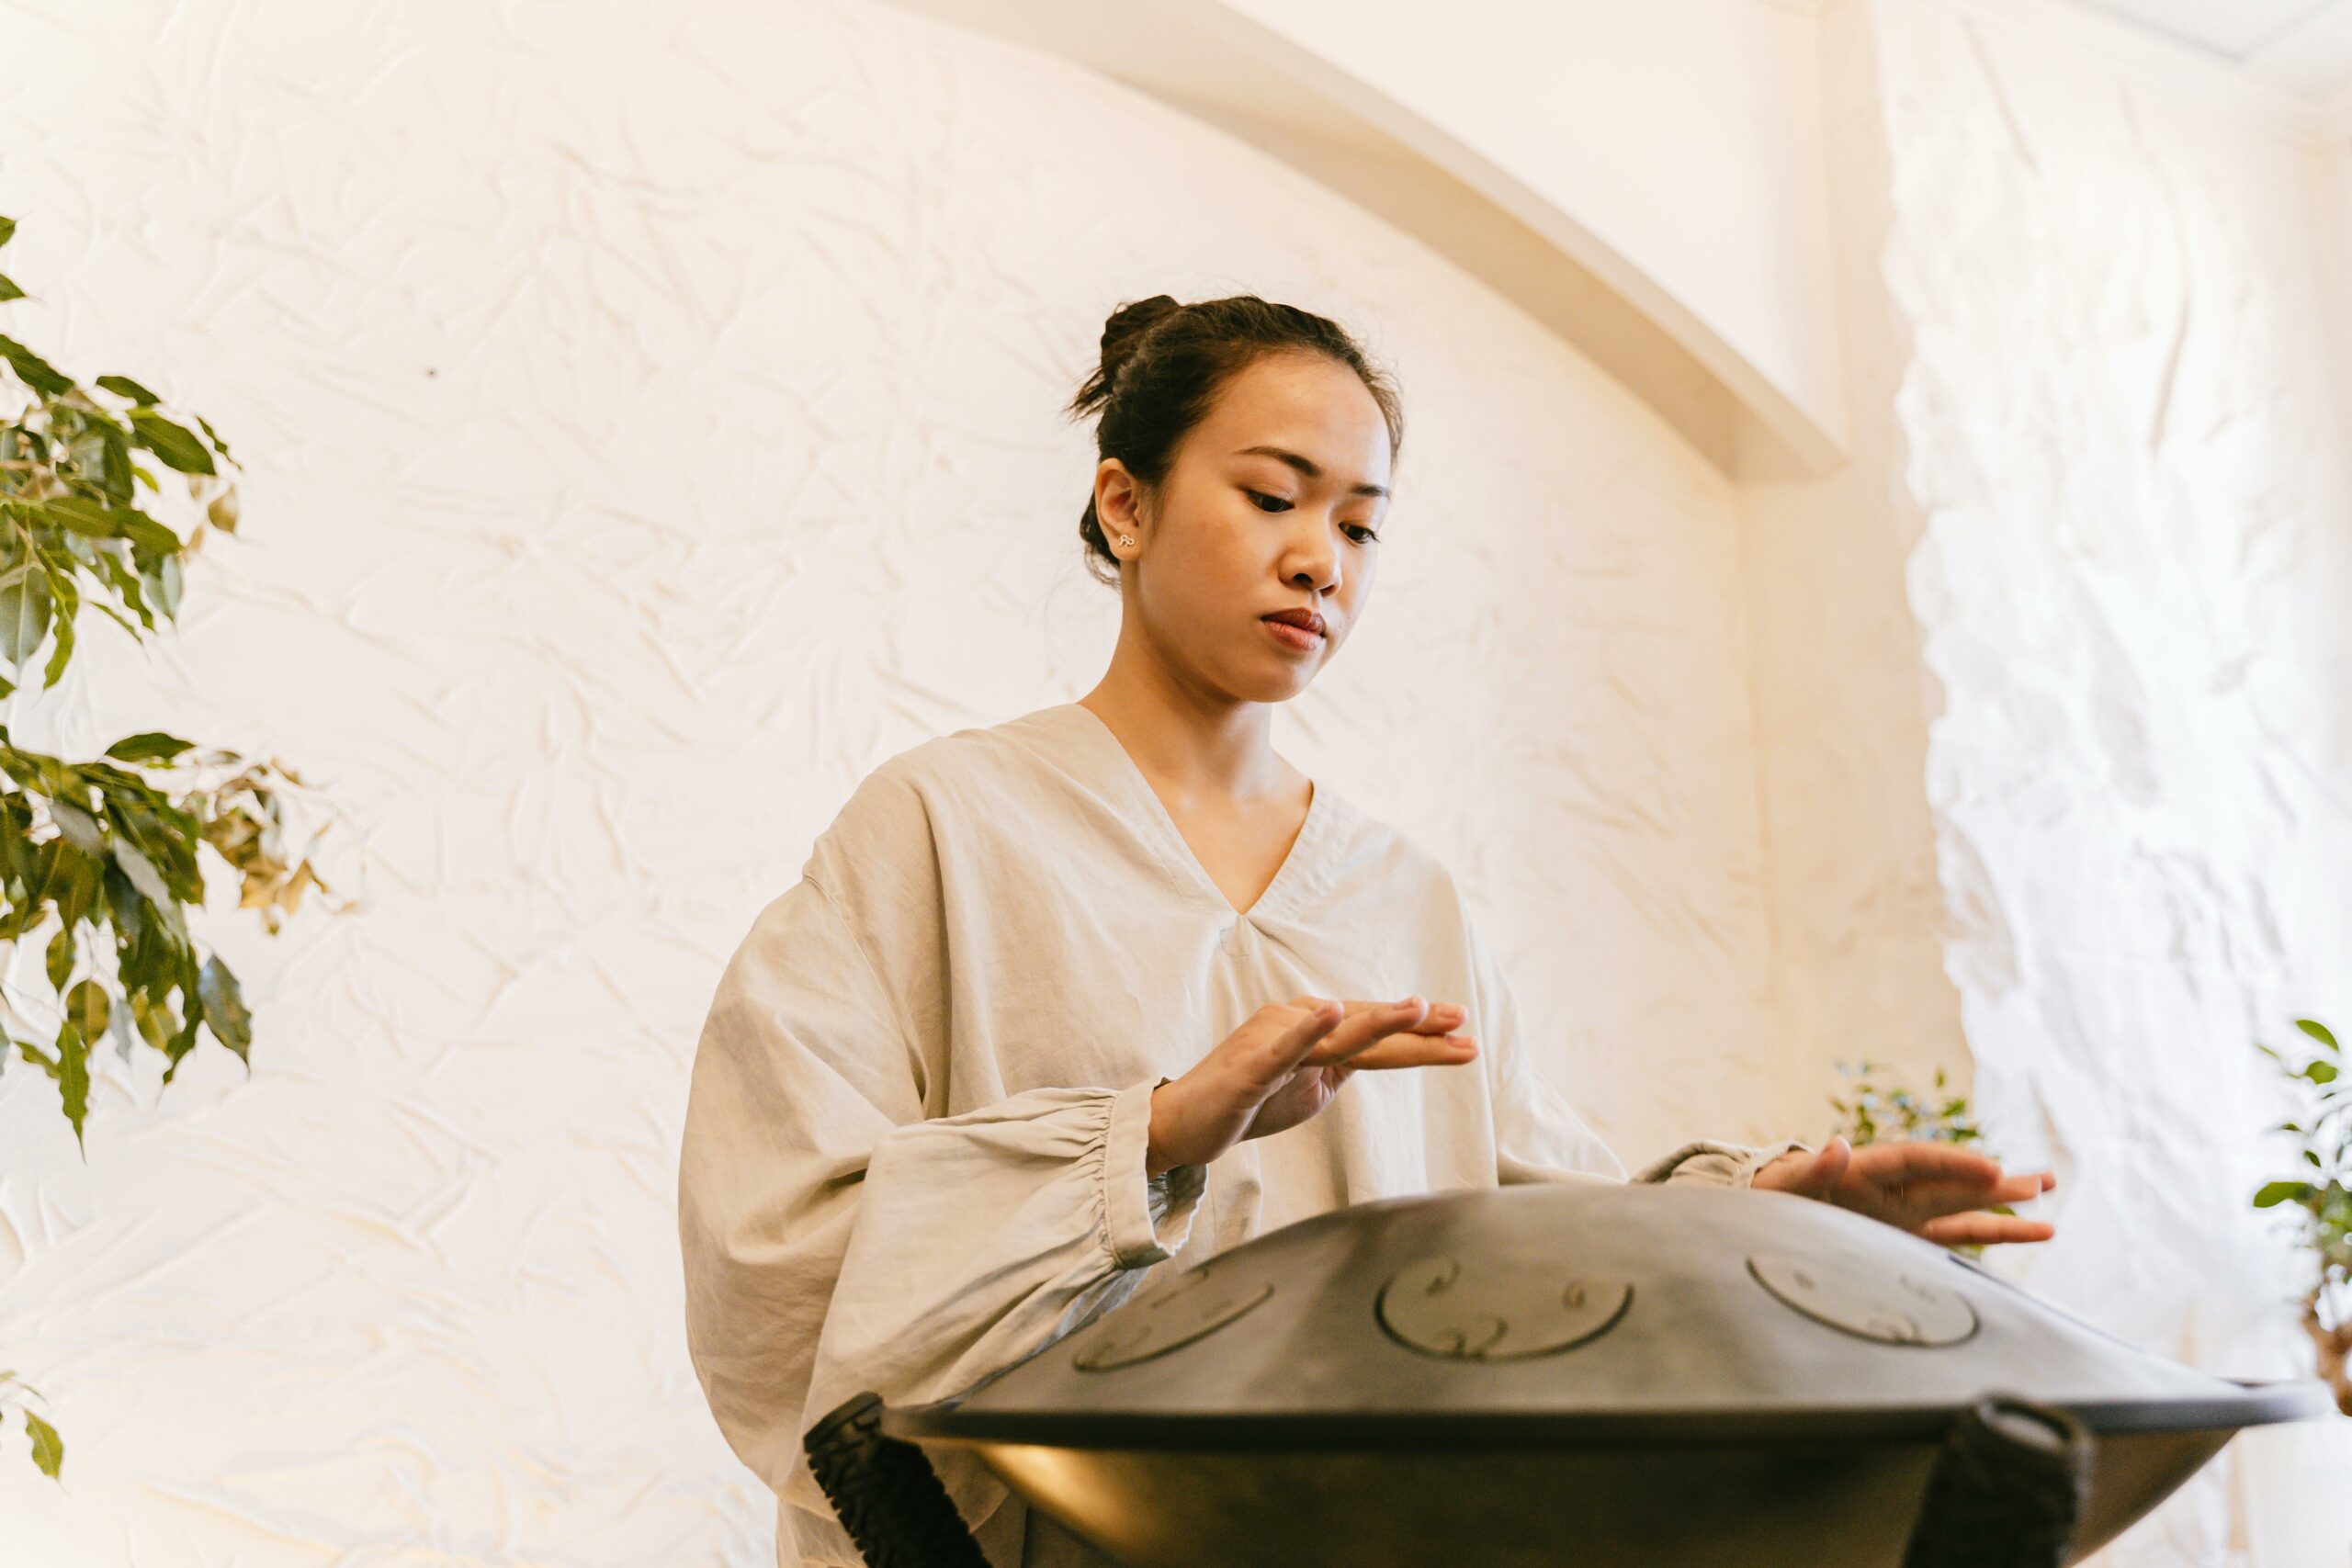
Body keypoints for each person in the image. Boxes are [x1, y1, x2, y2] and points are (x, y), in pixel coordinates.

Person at [676, 293, 2059, 1568]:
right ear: (1126, 503)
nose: (1316, 559)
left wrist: (1766, 1221)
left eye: (1359, 525)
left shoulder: (1402, 896)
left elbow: (1524, 1237)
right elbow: (777, 1250)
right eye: (1273, 495)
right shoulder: (942, 826)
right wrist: (1150, 1138)